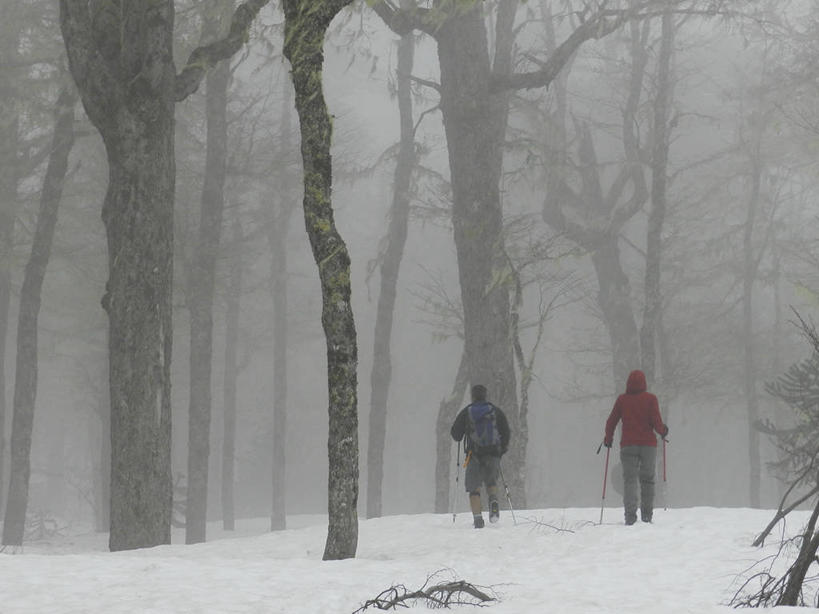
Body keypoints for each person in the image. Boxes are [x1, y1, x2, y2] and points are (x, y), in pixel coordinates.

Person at [604, 369, 669, 525]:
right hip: (648, 446)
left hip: (628, 445)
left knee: (630, 481)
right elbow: (656, 422)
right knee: (647, 480)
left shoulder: (622, 400)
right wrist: (663, 431)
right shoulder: (650, 399)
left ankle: (630, 517)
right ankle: (647, 516)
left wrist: (608, 438)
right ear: (644, 383)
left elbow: (611, 421)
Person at [450, 384, 510, 528]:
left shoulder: (467, 412)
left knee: (474, 488)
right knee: (491, 482)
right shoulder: (495, 411)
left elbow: (455, 434)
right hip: (493, 454)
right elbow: (505, 431)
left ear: (473, 396)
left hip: (474, 455)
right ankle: (493, 499)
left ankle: (478, 519)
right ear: (485, 395)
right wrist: (501, 450)